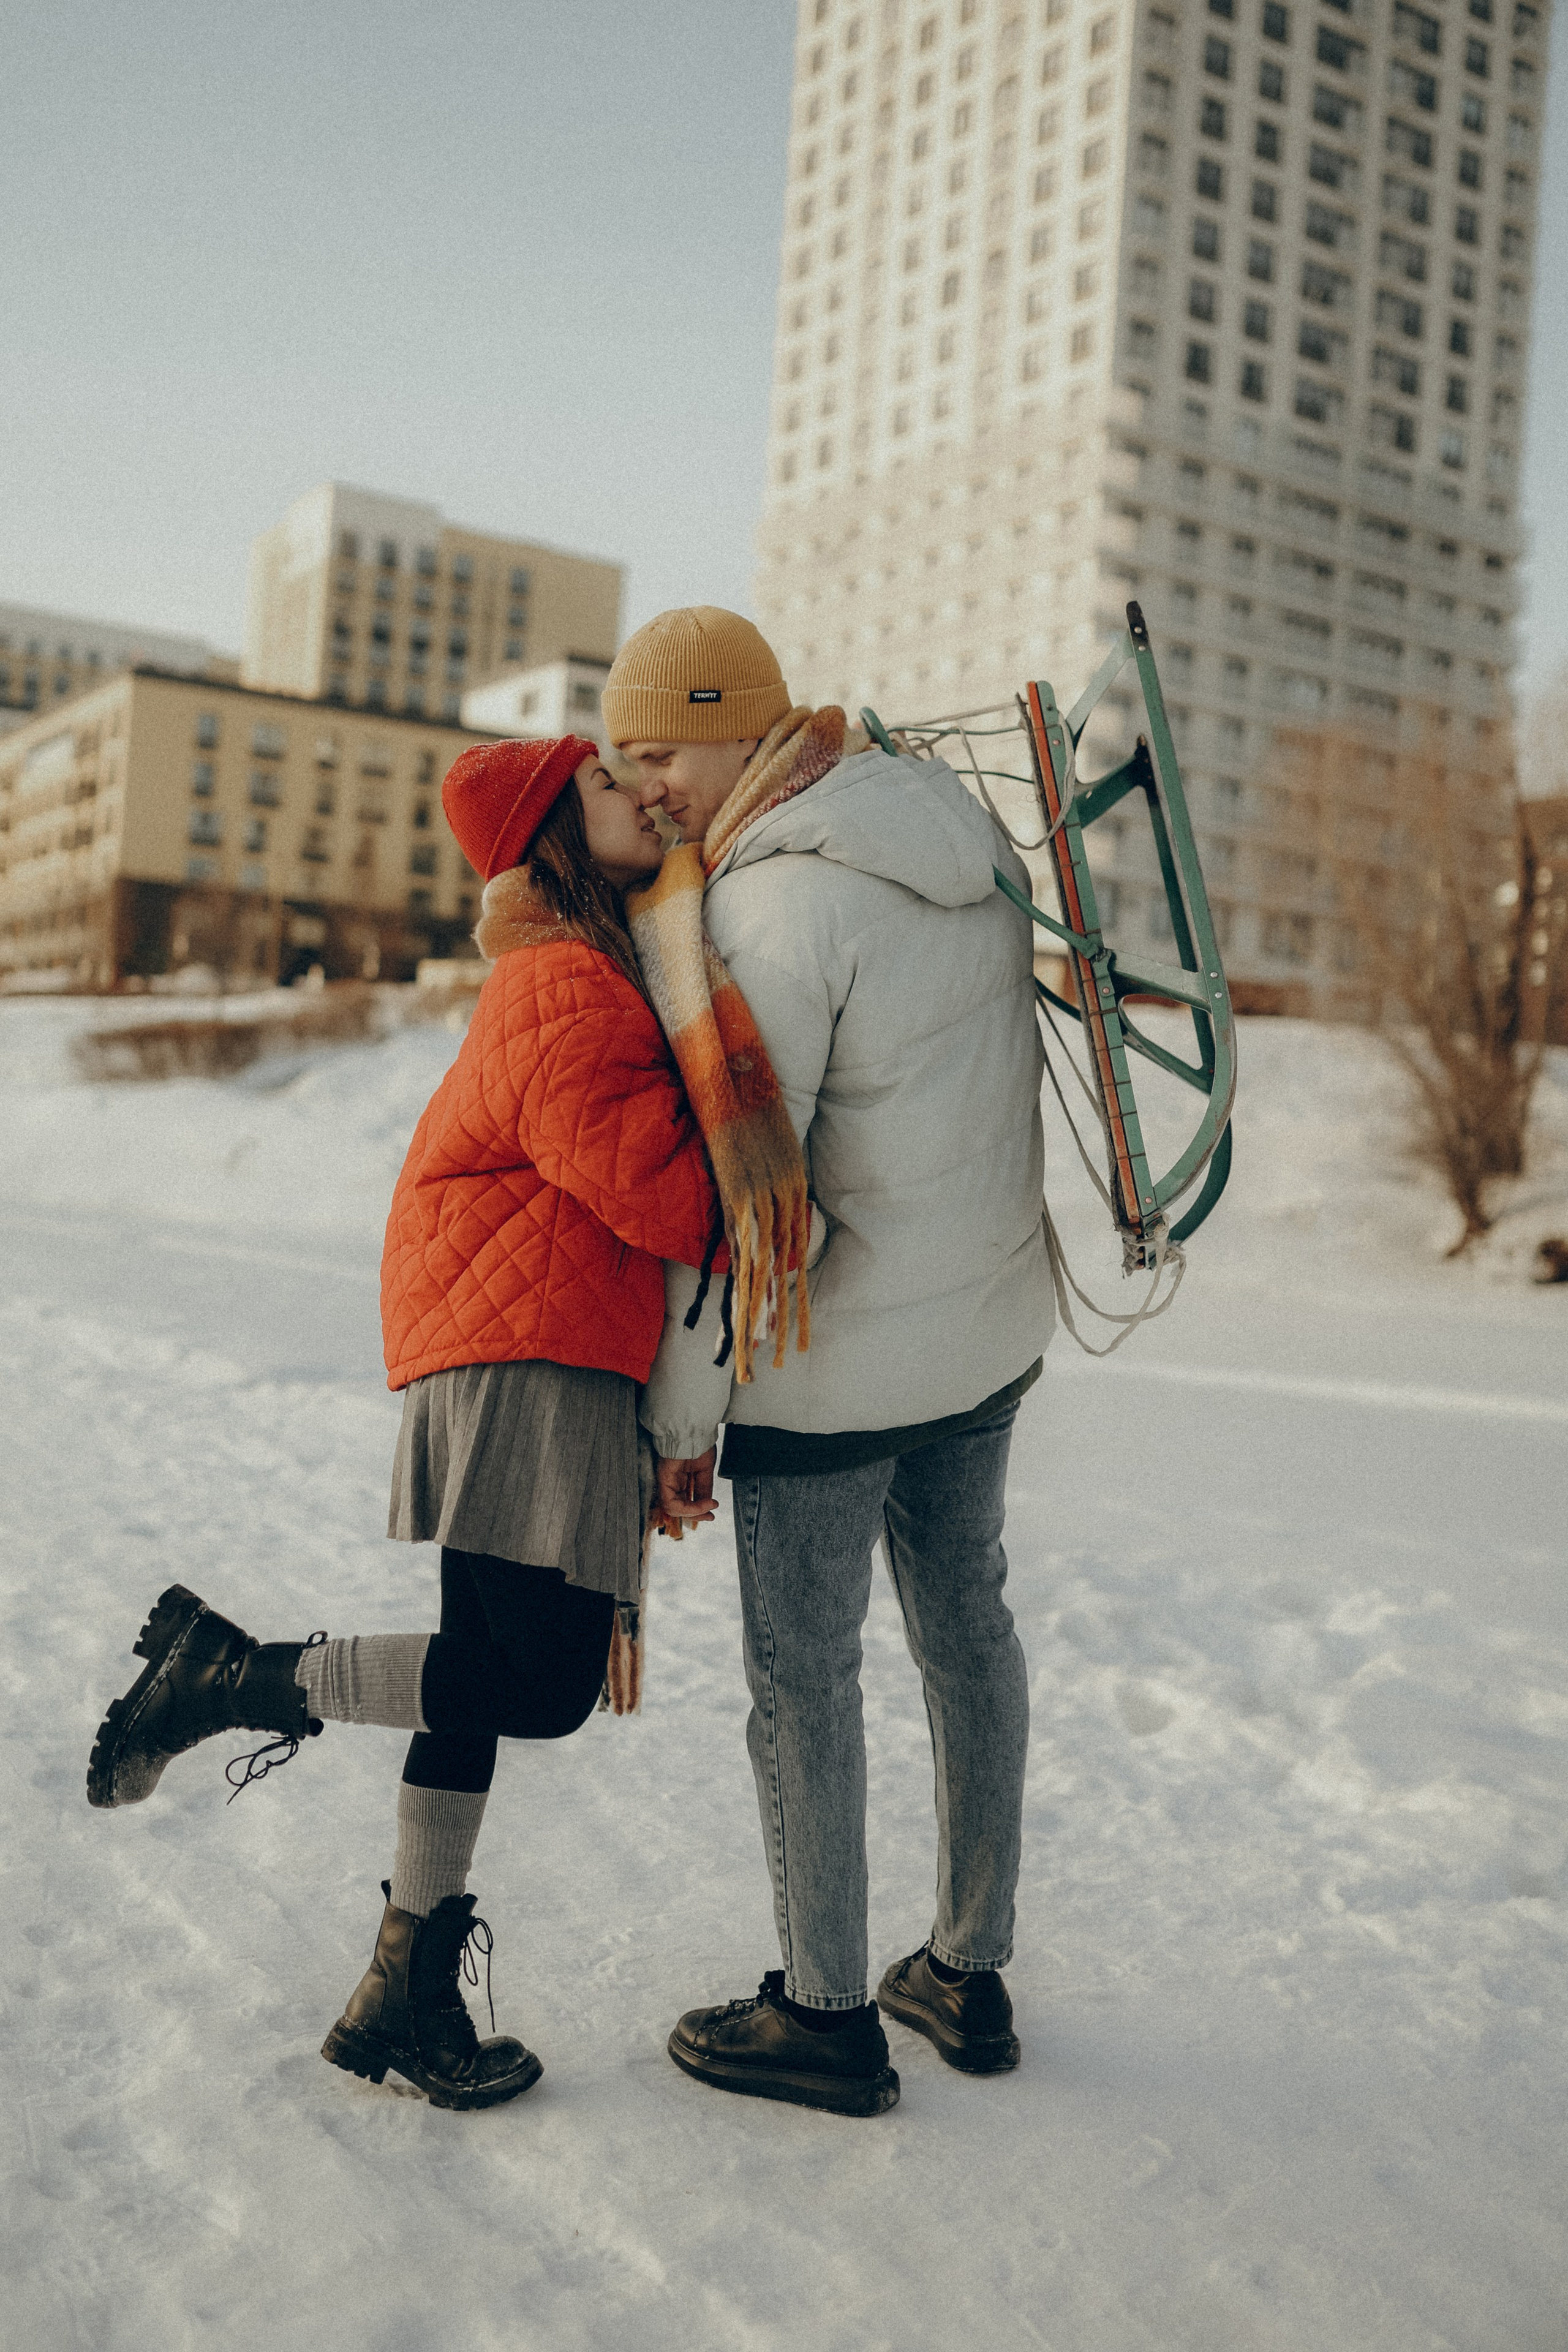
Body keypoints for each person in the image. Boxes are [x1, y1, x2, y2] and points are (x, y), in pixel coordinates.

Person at [86, 736, 721, 2111]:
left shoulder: (567, 969)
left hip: (510, 1345)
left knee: (477, 1677)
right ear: (557, 830)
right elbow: (664, 1196)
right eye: (613, 786)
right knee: (540, 1684)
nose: (644, 794)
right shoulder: (569, 981)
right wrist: (767, 1149)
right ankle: (233, 1674)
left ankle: (404, 1994)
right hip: (528, 1354)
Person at [606, 607, 1050, 2119]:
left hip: (837, 1369)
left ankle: (821, 2012)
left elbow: (736, 1211)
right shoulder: (952, 828)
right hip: (984, 1327)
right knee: (965, 1630)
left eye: (657, 747)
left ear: (733, 724)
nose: (645, 782)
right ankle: (967, 1970)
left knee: (804, 1677)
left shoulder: (772, 911)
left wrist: (680, 1421)